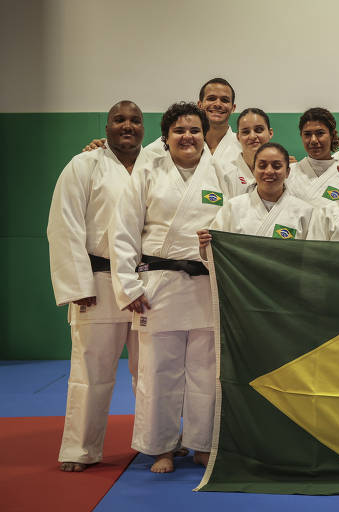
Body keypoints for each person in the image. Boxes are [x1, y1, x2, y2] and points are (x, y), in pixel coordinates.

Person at [110, 102, 223, 473]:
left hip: (208, 285)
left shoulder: (223, 173)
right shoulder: (148, 171)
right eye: (179, 130)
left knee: (206, 370)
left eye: (194, 129)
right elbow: (124, 230)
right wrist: (128, 285)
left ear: (205, 134)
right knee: (158, 370)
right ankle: (160, 446)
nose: (187, 136)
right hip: (158, 283)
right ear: (166, 136)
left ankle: (202, 443)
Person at [47, 100, 145, 472]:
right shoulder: (83, 165)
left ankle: (158, 441)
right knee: (91, 371)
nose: (127, 125)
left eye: (135, 120)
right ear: (106, 128)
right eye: (119, 119)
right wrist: (77, 283)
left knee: (151, 370)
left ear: (143, 128)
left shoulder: (155, 163)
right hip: (97, 281)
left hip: (143, 282)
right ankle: (79, 449)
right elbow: (63, 224)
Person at [83, 78, 241, 164]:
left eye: (224, 100)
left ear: (233, 107)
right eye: (211, 98)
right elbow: (137, 159)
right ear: (200, 105)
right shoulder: (170, 142)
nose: (218, 104)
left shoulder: (242, 145)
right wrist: (106, 149)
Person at [197, 142, 313, 254]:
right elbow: (218, 256)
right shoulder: (233, 207)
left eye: (276, 166)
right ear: (253, 170)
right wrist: (205, 247)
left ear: (287, 172)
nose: (269, 171)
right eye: (262, 166)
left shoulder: (305, 212)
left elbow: (310, 258)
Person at [285, 107, 339, 207]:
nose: (313, 140)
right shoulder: (290, 172)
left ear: (332, 135)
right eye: (307, 134)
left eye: (320, 133)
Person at [217, 108, 274, 194]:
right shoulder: (224, 172)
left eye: (258, 130)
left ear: (270, 133)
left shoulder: (282, 171)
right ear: (238, 137)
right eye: (246, 132)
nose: (252, 136)